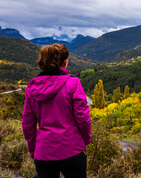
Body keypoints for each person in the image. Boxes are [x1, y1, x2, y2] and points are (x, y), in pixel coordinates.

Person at [22, 43, 91, 178]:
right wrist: (85, 140)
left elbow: (27, 124)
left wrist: (33, 149)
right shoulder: (73, 83)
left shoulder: (31, 87)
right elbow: (83, 117)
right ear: (64, 62)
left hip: (43, 152)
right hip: (72, 150)